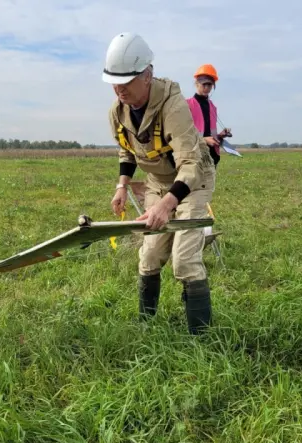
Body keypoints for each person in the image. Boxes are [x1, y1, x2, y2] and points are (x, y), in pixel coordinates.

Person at [103, 32, 216, 335]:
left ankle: (201, 338)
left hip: (193, 181)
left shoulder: (172, 105)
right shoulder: (117, 110)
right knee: (150, 256)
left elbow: (191, 165)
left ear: (147, 75)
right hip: (157, 182)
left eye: (126, 81)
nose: (119, 89)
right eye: (114, 81)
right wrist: (122, 186)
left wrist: (168, 204)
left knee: (183, 260)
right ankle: (147, 327)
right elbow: (126, 149)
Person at [185, 64, 230, 169]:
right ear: (197, 83)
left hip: (211, 154)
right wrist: (204, 140)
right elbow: (184, 134)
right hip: (195, 153)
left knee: (209, 184)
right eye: (204, 84)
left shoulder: (212, 107)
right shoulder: (187, 105)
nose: (207, 88)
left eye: (210, 85)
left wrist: (220, 135)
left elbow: (211, 134)